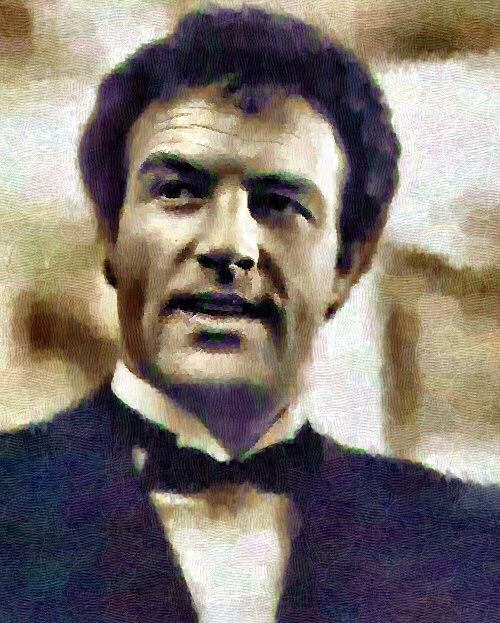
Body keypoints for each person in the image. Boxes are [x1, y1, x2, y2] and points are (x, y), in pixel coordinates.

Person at [0, 7, 498, 623]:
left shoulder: (471, 554)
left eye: (280, 203)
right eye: (178, 192)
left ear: (347, 265)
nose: (229, 246)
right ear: (110, 237)